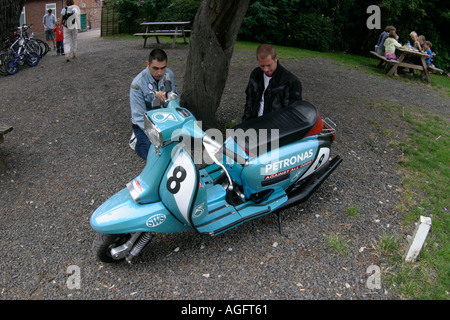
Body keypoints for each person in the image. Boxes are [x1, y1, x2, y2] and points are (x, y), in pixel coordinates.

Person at [129, 49, 180, 160]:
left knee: (178, 150)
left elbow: (176, 98)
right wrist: (156, 135)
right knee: (155, 157)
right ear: (148, 64)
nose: (159, 73)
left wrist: (169, 100)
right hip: (145, 124)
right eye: (155, 68)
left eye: (163, 68)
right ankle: (136, 141)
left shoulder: (169, 74)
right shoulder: (137, 84)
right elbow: (138, 116)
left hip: (163, 118)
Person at [242, 44, 303, 122]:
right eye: (262, 66)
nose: (265, 69)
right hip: (254, 123)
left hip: (276, 128)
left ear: (276, 58)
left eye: (268, 65)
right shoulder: (256, 74)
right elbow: (249, 101)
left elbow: (292, 114)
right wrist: (245, 123)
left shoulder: (291, 82)